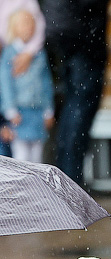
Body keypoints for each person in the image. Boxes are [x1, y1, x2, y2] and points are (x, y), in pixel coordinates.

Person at [41, 0, 106, 187]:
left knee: (73, 108)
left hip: (63, 32)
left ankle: (67, 177)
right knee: (78, 109)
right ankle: (71, 181)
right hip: (81, 37)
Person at [0, 8, 54, 163]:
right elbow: (6, 83)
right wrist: (10, 109)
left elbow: (46, 82)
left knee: (37, 155)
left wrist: (48, 109)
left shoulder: (39, 54)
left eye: (31, 24)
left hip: (37, 109)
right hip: (21, 112)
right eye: (24, 24)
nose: (29, 28)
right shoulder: (9, 53)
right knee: (21, 155)